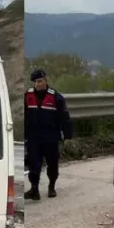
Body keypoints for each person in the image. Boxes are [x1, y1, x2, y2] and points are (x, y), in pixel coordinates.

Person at [24, 68, 72, 200]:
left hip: (51, 137)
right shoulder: (27, 95)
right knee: (33, 163)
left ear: (46, 80)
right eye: (35, 82)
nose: (37, 84)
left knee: (52, 164)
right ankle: (34, 189)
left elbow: (64, 117)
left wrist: (67, 135)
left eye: (40, 81)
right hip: (33, 137)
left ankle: (51, 187)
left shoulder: (56, 97)